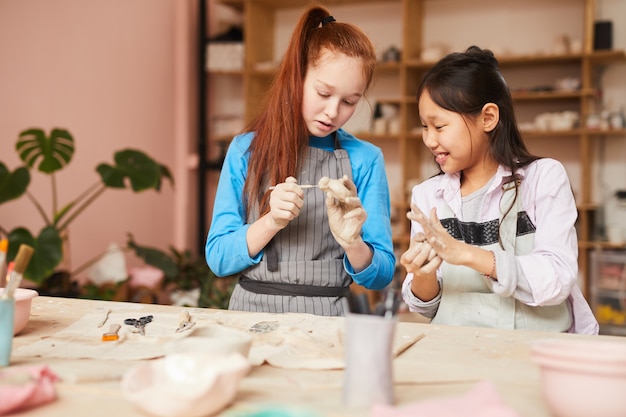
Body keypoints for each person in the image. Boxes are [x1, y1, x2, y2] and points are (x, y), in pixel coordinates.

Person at [206, 5, 395, 316]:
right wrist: (270, 222)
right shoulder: (246, 149)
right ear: (298, 78)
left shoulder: (366, 158)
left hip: (329, 319)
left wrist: (352, 243)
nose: (333, 112)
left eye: (349, 101)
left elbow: (382, 275)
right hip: (251, 314)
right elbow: (219, 258)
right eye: (323, 93)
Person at [400, 46, 598, 334]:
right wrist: (423, 274)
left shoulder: (543, 178)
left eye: (439, 126)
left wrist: (466, 254)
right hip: (457, 350)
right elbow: (427, 307)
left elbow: (557, 278)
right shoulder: (428, 195)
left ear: (488, 118)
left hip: (535, 349)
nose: (429, 140)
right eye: (424, 127)